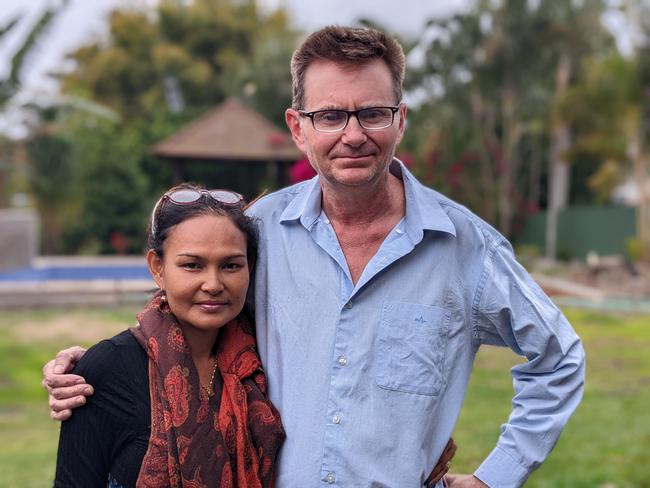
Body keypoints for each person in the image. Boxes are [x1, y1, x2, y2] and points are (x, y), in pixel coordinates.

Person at [44, 26, 585, 488]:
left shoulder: (468, 249)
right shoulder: (260, 232)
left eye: (372, 112)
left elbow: (559, 357)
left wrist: (498, 475)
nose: (353, 135)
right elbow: (188, 314)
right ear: (297, 126)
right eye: (330, 115)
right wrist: (86, 367)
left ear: (400, 120)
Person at [54, 184, 285, 487]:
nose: (213, 283)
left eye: (230, 265)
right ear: (157, 267)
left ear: (249, 267)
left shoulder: (264, 361)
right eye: (192, 265)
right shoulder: (108, 370)